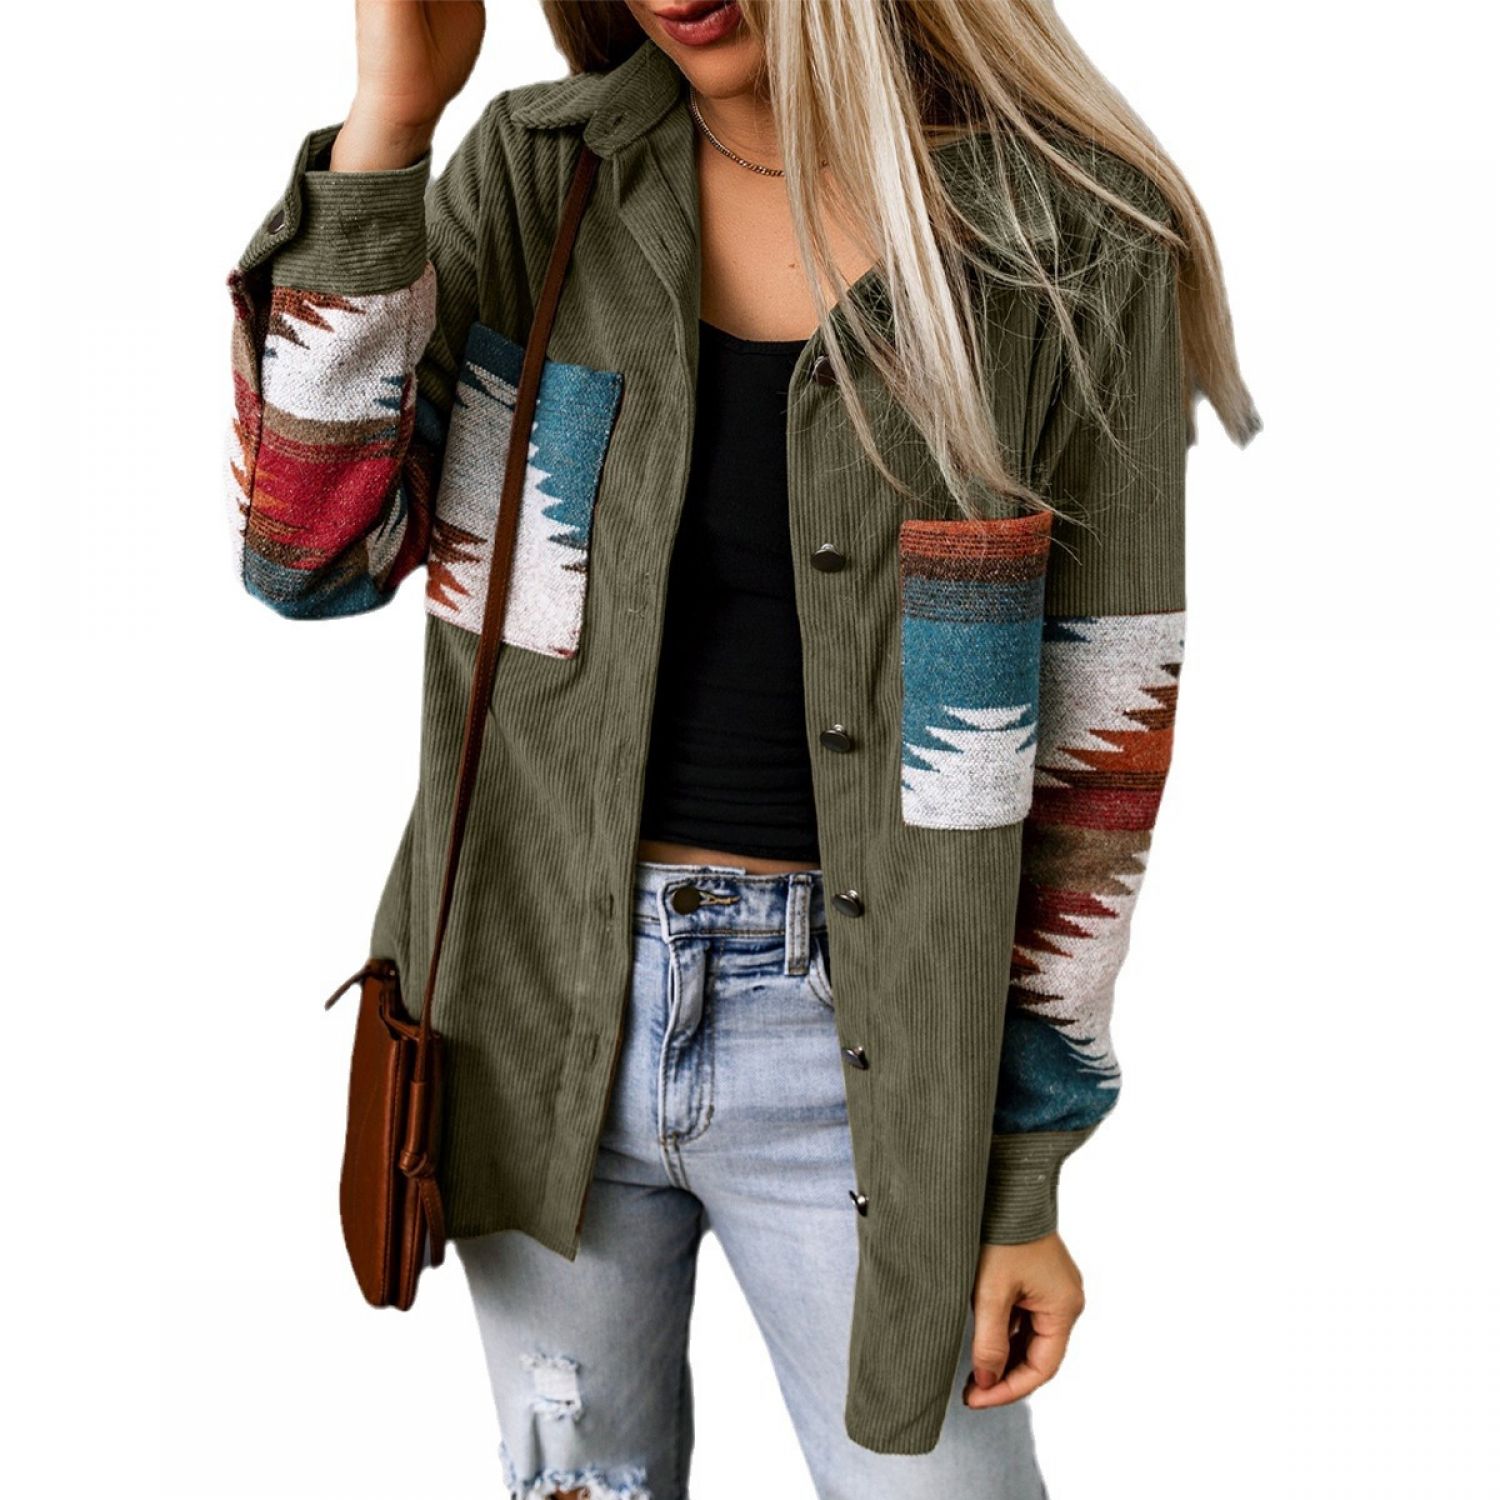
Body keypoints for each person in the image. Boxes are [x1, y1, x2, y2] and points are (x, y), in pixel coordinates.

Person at [223, 1, 1257, 1494]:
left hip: (875, 1055)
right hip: (533, 1016)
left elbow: (1099, 756)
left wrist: (1024, 1174)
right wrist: (389, 124)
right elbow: (308, 554)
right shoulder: (544, 177)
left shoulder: (1065, 235)